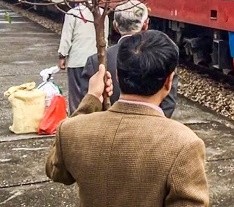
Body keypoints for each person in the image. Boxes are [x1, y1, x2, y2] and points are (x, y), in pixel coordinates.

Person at [45, 30, 209, 207]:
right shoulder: (184, 144)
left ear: (116, 74)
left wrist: (91, 98)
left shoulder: (72, 131)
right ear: (168, 82)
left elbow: (55, 171)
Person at [80, 0, 178, 117]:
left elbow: (87, 105)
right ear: (146, 24)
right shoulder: (163, 58)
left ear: (115, 26)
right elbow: (168, 105)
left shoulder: (95, 62)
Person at [57, 0, 109, 114]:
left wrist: (62, 56)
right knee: (93, 95)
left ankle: (75, 120)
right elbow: (104, 40)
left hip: (76, 61)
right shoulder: (103, 14)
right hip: (95, 62)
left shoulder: (72, 13)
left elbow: (66, 38)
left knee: (76, 96)